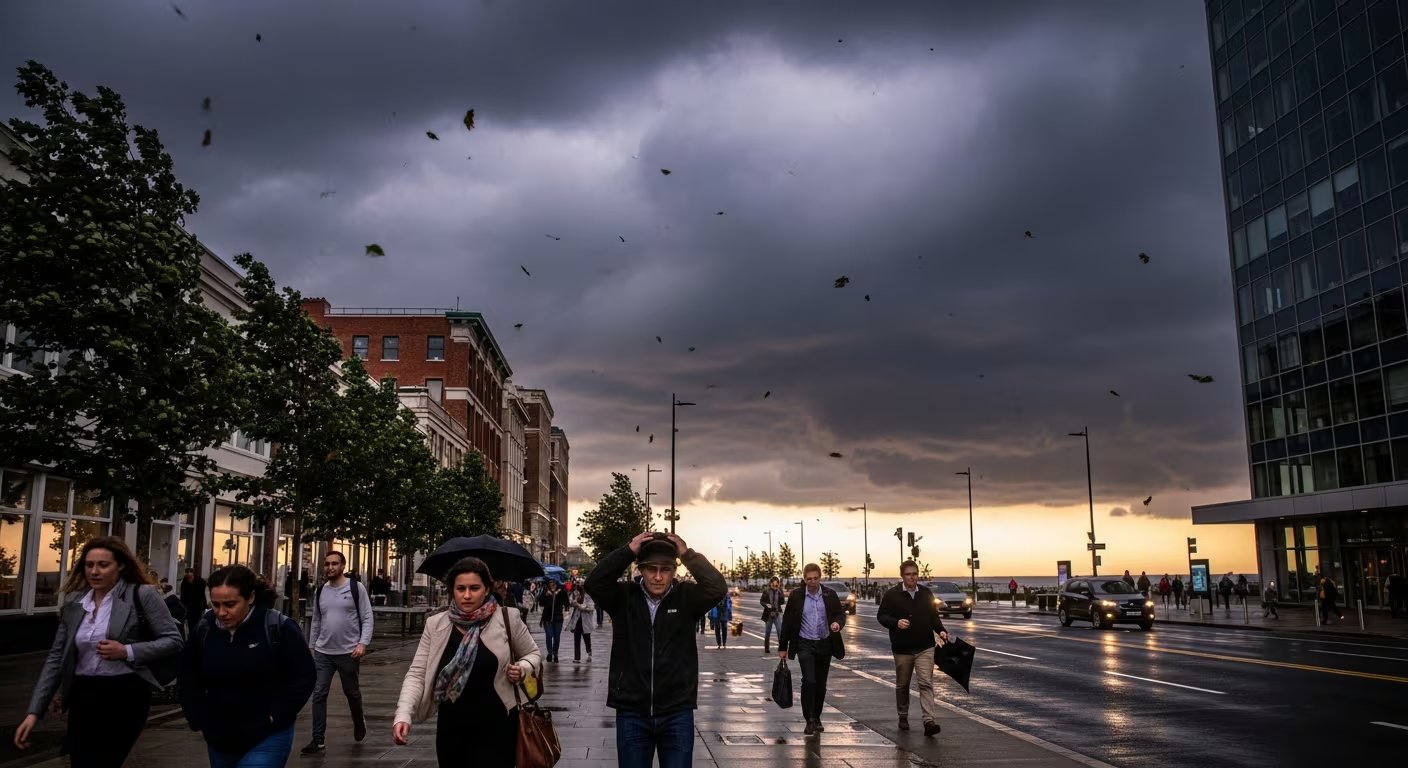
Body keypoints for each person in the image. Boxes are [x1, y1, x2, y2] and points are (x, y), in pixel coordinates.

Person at [13, 536, 183, 768]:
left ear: (121, 565)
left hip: (125, 695)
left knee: (104, 762)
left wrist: (128, 650)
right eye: (89, 565)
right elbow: (56, 657)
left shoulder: (142, 594)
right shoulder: (75, 601)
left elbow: (173, 640)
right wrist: (34, 712)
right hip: (84, 696)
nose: (94, 571)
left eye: (103, 565)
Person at [585, 531, 726, 768]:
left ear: (674, 571)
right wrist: (628, 551)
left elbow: (717, 587)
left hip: (676, 712)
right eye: (652, 569)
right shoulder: (624, 597)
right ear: (640, 569)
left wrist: (687, 554)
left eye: (666, 569)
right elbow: (594, 583)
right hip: (632, 711)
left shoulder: (686, 598)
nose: (658, 577)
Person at [392, 557, 540, 768]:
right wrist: (403, 715)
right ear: (452, 590)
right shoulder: (436, 625)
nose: (467, 595)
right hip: (452, 727)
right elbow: (417, 674)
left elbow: (533, 654)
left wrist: (523, 668)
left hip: (498, 725)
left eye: (474, 588)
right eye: (460, 588)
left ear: (487, 589)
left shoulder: (508, 618)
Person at [179, 565, 315, 768]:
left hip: (268, 735)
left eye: (230, 604)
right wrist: (197, 716)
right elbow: (188, 675)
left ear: (250, 597)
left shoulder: (278, 627)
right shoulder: (205, 628)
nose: (222, 612)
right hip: (220, 737)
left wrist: (276, 715)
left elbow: (304, 676)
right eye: (215, 605)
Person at [302, 551, 373, 756]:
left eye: (334, 564)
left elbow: (367, 617)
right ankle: (318, 740)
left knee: (351, 692)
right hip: (324, 651)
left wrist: (363, 643)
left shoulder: (355, 587)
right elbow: (316, 620)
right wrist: (312, 645)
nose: (330, 567)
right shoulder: (320, 591)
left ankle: (359, 723)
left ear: (343, 566)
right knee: (319, 694)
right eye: (327, 564)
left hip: (349, 652)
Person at [877, 561, 948, 736]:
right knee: (903, 685)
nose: (912, 577)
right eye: (908, 574)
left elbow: (933, 617)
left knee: (925, 683)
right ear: (902, 576)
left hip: (925, 647)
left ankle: (929, 721)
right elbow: (881, 616)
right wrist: (896, 622)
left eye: (915, 574)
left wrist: (941, 630)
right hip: (902, 649)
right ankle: (903, 715)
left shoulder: (925, 593)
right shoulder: (892, 594)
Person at [779, 563, 847, 736]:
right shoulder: (796, 596)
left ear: (820, 577)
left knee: (821, 684)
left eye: (815, 578)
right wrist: (783, 647)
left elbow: (840, 614)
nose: (812, 582)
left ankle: (816, 717)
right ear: (804, 579)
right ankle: (809, 719)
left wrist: (837, 624)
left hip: (825, 643)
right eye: (809, 579)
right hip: (804, 643)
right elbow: (787, 622)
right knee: (809, 681)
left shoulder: (829, 594)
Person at [538, 578, 567, 662]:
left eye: (554, 582)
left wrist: (565, 612)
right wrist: (546, 596)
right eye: (550, 582)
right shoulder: (545, 592)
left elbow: (567, 603)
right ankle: (550, 653)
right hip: (547, 618)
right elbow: (540, 603)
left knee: (557, 637)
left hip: (558, 618)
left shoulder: (561, 592)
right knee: (549, 635)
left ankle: (555, 653)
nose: (552, 584)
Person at [568, 579, 595, 663]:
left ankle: (589, 651)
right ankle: (577, 657)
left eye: (581, 584)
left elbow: (590, 607)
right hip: (577, 621)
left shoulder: (588, 595)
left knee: (587, 638)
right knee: (576, 638)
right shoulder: (575, 593)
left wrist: (579, 605)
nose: (579, 586)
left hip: (585, 621)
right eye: (578, 584)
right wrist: (573, 602)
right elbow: (570, 602)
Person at [760, 577, 786, 655]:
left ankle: (781, 647)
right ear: (771, 583)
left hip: (777, 613)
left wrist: (780, 592)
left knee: (779, 631)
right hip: (768, 614)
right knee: (768, 632)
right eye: (774, 584)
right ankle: (766, 648)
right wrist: (766, 604)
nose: (775, 586)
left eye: (776, 584)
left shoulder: (780, 591)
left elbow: (782, 602)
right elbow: (761, 601)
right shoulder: (766, 591)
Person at [181, 567, 209, 635]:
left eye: (190, 577)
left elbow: (203, 595)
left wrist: (205, 605)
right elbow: (183, 594)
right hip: (189, 606)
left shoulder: (200, 582)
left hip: (198, 606)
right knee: (191, 623)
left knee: (197, 622)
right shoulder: (185, 582)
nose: (189, 579)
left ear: (193, 574)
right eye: (188, 577)